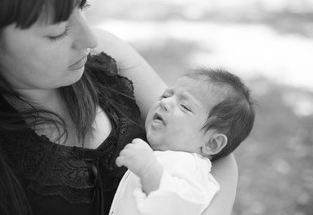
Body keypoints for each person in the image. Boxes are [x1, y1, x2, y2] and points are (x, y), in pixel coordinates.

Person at [0, 0, 238, 215]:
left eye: (84, 6)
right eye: (58, 31)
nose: (89, 39)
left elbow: (212, 147)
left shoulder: (109, 53)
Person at [109, 68, 255, 215]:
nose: (165, 102)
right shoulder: (170, 157)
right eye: (165, 96)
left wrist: (149, 170)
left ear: (212, 144)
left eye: (184, 106)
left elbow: (185, 204)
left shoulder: (189, 165)